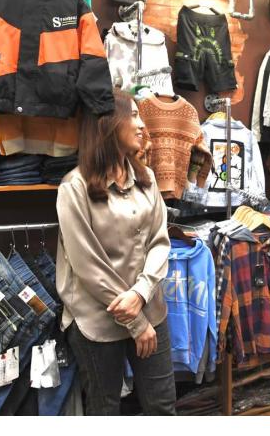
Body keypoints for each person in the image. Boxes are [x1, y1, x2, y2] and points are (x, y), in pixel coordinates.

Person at [56, 89, 176, 415]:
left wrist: (141, 293)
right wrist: (136, 322)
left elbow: (160, 241)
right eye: (133, 115)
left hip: (150, 309)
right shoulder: (74, 189)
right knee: (104, 411)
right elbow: (88, 266)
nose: (142, 125)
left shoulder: (147, 179)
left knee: (163, 408)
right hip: (97, 321)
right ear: (109, 124)